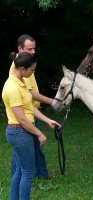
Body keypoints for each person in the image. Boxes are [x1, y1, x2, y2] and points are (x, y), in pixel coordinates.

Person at [2, 52, 60, 200]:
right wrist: (39, 134)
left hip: (20, 132)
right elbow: (21, 118)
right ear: (22, 68)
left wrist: (47, 120)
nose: (33, 73)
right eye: (32, 70)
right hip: (19, 132)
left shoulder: (20, 83)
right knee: (27, 172)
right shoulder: (13, 87)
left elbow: (29, 108)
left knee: (20, 172)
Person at [9, 34, 54, 179]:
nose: (33, 52)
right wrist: (52, 101)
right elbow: (31, 93)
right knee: (21, 151)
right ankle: (19, 177)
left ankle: (41, 174)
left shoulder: (28, 65)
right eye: (29, 49)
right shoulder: (19, 68)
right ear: (19, 48)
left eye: (34, 48)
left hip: (32, 112)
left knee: (36, 147)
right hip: (26, 116)